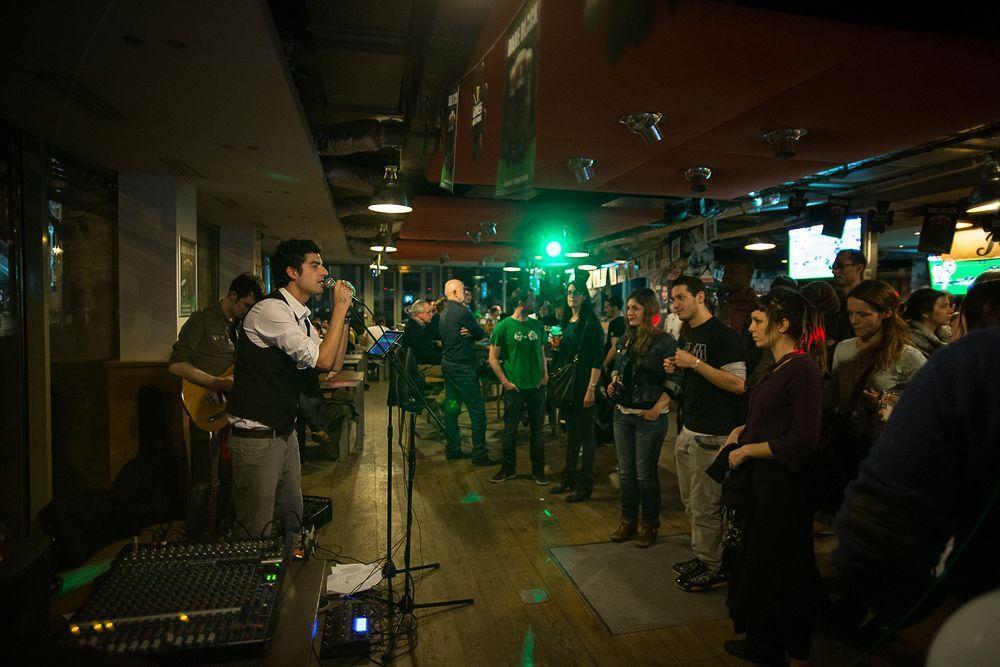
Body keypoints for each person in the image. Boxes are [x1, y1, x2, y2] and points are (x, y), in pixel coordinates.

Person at [834, 328, 1000, 661]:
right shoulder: (977, 365)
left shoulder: (973, 362)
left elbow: (871, 533)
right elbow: (873, 531)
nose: (856, 321)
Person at [715, 288, 826, 666]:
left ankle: (780, 645)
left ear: (783, 325)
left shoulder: (803, 369)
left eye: (759, 321)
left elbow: (803, 438)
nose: (750, 328)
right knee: (759, 564)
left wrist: (748, 449)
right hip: (764, 484)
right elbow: (774, 422)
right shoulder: (777, 367)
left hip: (784, 488)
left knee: (779, 567)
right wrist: (742, 433)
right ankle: (762, 640)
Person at [227, 239, 353, 542]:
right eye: (315, 264)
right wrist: (338, 308)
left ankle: (292, 580)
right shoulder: (270, 310)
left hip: (283, 429)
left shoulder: (302, 318)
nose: (324, 271)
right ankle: (254, 586)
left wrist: (345, 317)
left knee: (292, 517)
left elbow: (331, 363)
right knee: (257, 528)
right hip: (257, 433)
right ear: (291, 272)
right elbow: (323, 358)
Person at [665, 275, 747, 593]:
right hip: (690, 428)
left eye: (681, 297)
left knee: (707, 506)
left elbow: (737, 384)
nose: (676, 304)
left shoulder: (723, 336)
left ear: (700, 297)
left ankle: (714, 566)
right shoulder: (690, 332)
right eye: (673, 299)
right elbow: (698, 375)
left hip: (712, 434)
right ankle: (704, 556)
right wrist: (679, 367)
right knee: (692, 503)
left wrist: (694, 363)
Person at [169, 273, 263, 539]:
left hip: (232, 409)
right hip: (204, 406)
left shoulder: (243, 327)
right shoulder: (202, 320)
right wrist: (216, 382)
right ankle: (197, 537)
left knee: (232, 474)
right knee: (204, 478)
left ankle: (224, 528)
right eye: (246, 305)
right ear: (232, 296)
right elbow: (177, 365)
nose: (248, 312)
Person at [607, 288, 681, 547]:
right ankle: (628, 521)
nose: (630, 312)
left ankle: (649, 524)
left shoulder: (665, 341)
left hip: (649, 417)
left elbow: (674, 379)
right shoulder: (626, 339)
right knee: (626, 474)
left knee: (645, 475)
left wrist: (657, 407)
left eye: (636, 308)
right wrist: (613, 382)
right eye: (628, 308)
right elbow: (617, 368)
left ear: (648, 310)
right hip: (623, 414)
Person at [825, 280, 926, 466]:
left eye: (863, 314)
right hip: (847, 443)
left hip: (886, 446)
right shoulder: (844, 348)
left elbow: (927, 400)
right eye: (851, 313)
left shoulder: (906, 355)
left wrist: (885, 398)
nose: (854, 320)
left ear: (886, 313)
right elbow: (832, 397)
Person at [549, 276, 605, 502]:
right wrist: (557, 347)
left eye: (576, 292)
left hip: (584, 383)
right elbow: (565, 353)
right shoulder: (567, 321)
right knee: (571, 433)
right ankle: (568, 478)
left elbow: (596, 359)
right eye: (570, 292)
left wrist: (591, 389)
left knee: (586, 436)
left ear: (584, 296)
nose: (572, 296)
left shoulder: (591, 322)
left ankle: (585, 484)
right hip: (570, 384)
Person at [488, 288, 549, 484]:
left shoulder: (537, 325)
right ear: (522, 302)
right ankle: (508, 468)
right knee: (510, 430)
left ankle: (538, 470)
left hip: (537, 386)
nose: (536, 302)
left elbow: (541, 353)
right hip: (515, 388)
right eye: (532, 299)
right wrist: (505, 382)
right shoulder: (503, 326)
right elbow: (493, 357)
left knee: (537, 431)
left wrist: (545, 374)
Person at [439, 278, 496, 465]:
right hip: (462, 368)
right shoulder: (462, 312)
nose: (466, 293)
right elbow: (481, 334)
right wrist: (473, 333)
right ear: (455, 292)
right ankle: (479, 454)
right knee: (477, 410)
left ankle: (453, 448)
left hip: (448, 365)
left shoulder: (444, 312)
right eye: (463, 289)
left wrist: (469, 334)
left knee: (452, 408)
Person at [828, 249, 867, 345]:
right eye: (834, 267)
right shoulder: (830, 300)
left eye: (841, 266)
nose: (835, 271)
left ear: (859, 268)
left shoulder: (871, 297)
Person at [903, 287, 952, 357]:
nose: (951, 311)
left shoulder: (945, 335)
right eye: (944, 306)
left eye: (949, 305)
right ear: (925, 312)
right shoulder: (911, 345)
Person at [717, 257, 759, 334]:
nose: (726, 276)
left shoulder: (757, 307)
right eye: (725, 272)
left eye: (733, 272)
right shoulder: (725, 303)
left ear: (748, 276)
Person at [403, 299, 442, 367]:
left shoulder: (419, 325)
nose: (432, 315)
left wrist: (434, 342)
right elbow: (427, 354)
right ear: (419, 313)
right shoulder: (413, 329)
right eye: (429, 312)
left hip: (425, 362)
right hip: (422, 367)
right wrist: (446, 358)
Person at [602, 293, 626, 368]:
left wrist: (604, 364)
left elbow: (614, 347)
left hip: (612, 365)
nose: (604, 310)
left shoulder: (616, 323)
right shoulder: (623, 321)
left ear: (615, 308)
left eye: (607, 307)